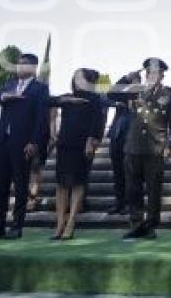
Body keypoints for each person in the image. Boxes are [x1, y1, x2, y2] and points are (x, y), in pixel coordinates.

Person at [0, 52, 50, 240]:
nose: (19, 67)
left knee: (20, 185)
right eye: (18, 64)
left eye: (24, 64)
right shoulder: (9, 85)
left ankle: (17, 226)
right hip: (2, 140)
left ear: (33, 68)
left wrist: (34, 142)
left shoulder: (40, 89)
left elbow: (41, 118)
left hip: (23, 142)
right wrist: (4, 97)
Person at [119, 57, 171, 240]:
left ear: (162, 75)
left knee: (154, 190)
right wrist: (125, 78)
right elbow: (107, 92)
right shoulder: (134, 91)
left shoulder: (170, 93)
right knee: (132, 189)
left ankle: (151, 226)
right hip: (133, 147)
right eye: (149, 72)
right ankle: (136, 225)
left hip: (155, 148)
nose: (153, 75)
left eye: (156, 72)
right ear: (145, 74)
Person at [49, 68, 107, 240]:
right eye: (74, 77)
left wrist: (92, 140)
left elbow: (99, 120)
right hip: (65, 143)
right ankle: (60, 222)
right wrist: (63, 100)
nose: (76, 79)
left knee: (77, 183)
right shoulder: (68, 96)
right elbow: (47, 102)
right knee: (61, 184)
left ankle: (71, 222)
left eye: (80, 76)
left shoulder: (95, 98)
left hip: (83, 145)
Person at [106, 69, 142, 215]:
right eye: (132, 81)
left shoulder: (144, 95)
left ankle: (130, 203)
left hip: (135, 138)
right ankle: (120, 203)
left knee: (131, 173)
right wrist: (125, 78)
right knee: (118, 172)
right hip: (118, 136)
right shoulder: (123, 95)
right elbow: (110, 93)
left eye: (136, 81)